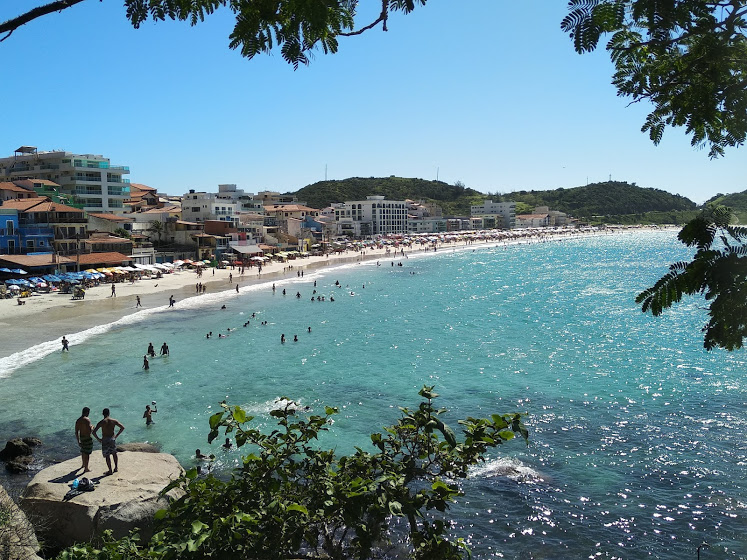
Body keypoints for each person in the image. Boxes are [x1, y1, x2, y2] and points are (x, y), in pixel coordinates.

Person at [93, 408, 125, 475]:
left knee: (107, 455)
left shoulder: (101, 422)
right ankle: (116, 468)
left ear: (102, 414)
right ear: (109, 413)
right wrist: (116, 436)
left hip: (105, 439)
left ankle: (110, 470)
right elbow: (122, 427)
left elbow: (94, 432)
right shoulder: (113, 421)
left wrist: (98, 439)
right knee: (114, 453)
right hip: (112, 439)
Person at [75, 407, 93, 473]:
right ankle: (86, 468)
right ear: (87, 412)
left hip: (82, 437)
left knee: (83, 451)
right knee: (87, 453)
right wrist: (92, 427)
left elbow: (76, 432)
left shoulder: (78, 420)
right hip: (87, 438)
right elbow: (89, 431)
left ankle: (83, 464)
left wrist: (78, 440)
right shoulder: (87, 420)